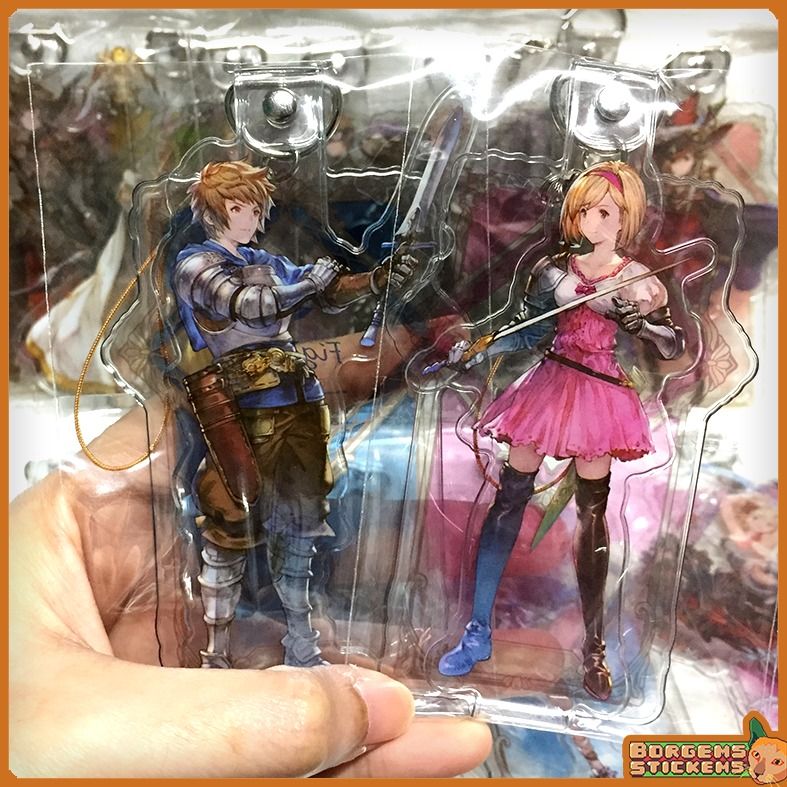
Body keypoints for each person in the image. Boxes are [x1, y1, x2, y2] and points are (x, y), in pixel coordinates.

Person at [9, 402, 492, 777]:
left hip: (290, 497)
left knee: (292, 566)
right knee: (235, 560)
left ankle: (288, 637)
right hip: (234, 506)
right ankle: (228, 647)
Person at [438, 162, 685, 701]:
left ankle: (593, 647)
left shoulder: (636, 278)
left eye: (605, 213)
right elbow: (528, 330)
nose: (592, 222)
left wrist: (642, 325)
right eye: (585, 211)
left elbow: (673, 345)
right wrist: (475, 346)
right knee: (508, 500)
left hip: (598, 392)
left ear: (626, 219)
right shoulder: (555, 271)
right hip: (550, 383)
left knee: (592, 515)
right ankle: (477, 629)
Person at [171, 160, 415, 669]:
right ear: (213, 211)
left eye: (254, 208)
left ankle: (302, 642)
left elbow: (324, 289)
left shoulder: (265, 260)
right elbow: (246, 305)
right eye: (237, 207)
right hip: (240, 407)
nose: (249, 217)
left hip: (300, 400)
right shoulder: (195, 264)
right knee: (231, 519)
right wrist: (307, 287)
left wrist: (375, 280)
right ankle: (215, 653)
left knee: (303, 521)